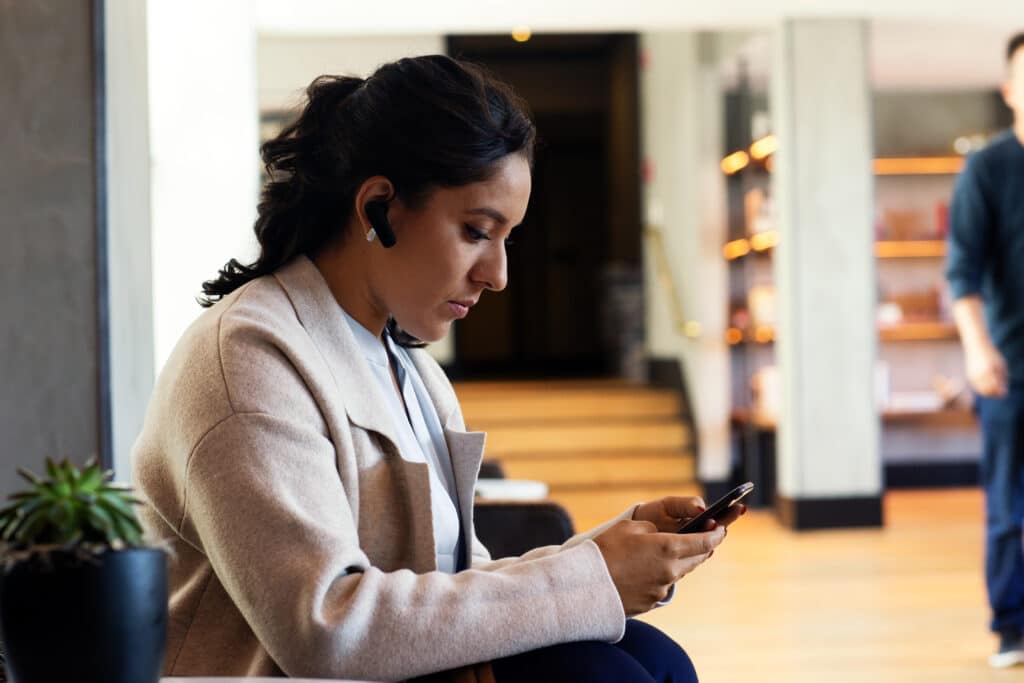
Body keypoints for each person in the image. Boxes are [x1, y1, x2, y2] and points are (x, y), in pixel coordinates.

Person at [131, 55, 742, 683]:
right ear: (378, 209)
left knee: (655, 659)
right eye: (478, 231)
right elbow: (326, 631)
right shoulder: (249, 361)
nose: (498, 275)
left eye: (508, 239)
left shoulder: (411, 371)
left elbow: (455, 587)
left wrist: (607, 553)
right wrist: (592, 579)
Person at [946, 32, 1024, 669]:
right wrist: (977, 350)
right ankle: (1012, 626)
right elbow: (962, 274)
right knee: (1007, 507)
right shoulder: (989, 169)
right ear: (1009, 90)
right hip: (1009, 371)